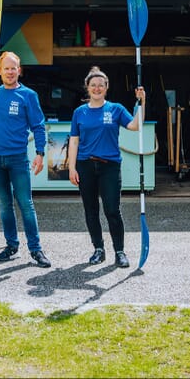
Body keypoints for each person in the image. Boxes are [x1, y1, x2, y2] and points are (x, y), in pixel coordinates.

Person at [67, 66, 146, 268]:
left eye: (101, 85)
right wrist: (72, 168)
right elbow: (74, 141)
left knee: (112, 210)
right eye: (93, 85)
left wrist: (141, 102)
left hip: (109, 166)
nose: (97, 88)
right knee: (91, 210)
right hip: (85, 166)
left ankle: (119, 251)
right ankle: (98, 249)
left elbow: (135, 126)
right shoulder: (79, 112)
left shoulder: (115, 109)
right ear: (87, 87)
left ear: (106, 88)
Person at [0, 51, 51, 268]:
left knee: (26, 203)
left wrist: (40, 153)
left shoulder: (28, 96)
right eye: (6, 68)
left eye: (14, 68)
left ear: (19, 70)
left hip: (17, 159)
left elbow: (38, 126)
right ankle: (11, 245)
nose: (10, 72)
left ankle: (36, 249)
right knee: (5, 204)